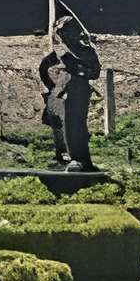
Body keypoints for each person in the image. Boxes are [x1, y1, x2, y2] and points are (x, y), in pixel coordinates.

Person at [39, 9, 100, 171]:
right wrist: (51, 87)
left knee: (75, 125)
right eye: (61, 33)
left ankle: (79, 159)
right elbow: (44, 67)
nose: (65, 36)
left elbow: (95, 72)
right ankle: (62, 157)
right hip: (59, 91)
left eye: (67, 31)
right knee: (58, 124)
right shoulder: (59, 52)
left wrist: (76, 68)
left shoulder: (87, 51)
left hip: (78, 91)